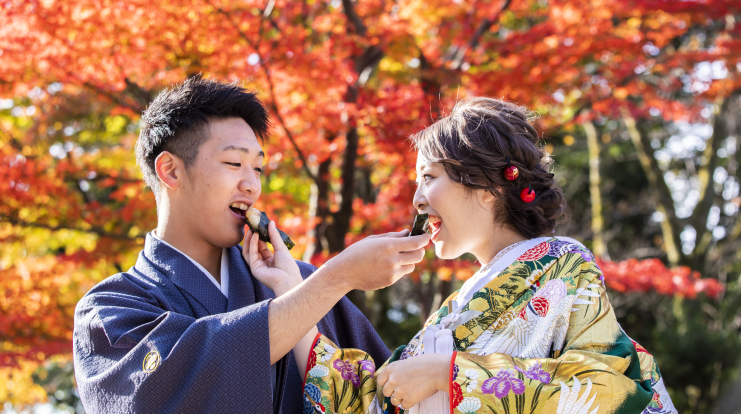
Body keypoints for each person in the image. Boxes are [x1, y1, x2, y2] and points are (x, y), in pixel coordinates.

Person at [248, 97, 676, 414]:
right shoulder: (453, 309)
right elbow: (373, 402)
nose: (416, 200)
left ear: (488, 188)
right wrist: (291, 289)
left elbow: (606, 387)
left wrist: (449, 375)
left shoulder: (561, 263)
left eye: (428, 177)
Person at [72, 76, 431, 414]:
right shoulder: (110, 311)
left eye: (257, 169)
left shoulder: (303, 283)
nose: (251, 186)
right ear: (171, 171)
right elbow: (163, 393)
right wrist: (338, 277)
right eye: (234, 163)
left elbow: (387, 399)